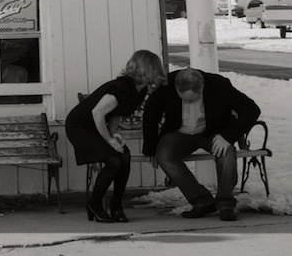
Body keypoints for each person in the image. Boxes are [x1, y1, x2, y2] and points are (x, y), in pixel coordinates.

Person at [142, 67, 261, 222]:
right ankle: (202, 201)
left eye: (192, 99)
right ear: (176, 88)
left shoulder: (219, 85)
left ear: (202, 87)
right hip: (179, 133)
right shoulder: (166, 85)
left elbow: (251, 109)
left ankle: (225, 204)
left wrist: (227, 136)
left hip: (212, 133)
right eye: (184, 99)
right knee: (164, 155)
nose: (188, 102)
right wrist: (150, 149)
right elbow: (150, 114)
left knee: (226, 153)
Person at [66, 49, 167, 223]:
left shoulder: (140, 90)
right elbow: (97, 113)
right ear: (145, 69)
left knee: (124, 156)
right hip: (80, 126)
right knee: (114, 161)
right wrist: (109, 140)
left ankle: (116, 205)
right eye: (155, 68)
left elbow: (115, 113)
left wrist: (113, 134)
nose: (158, 72)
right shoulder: (122, 87)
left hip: (96, 127)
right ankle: (94, 204)